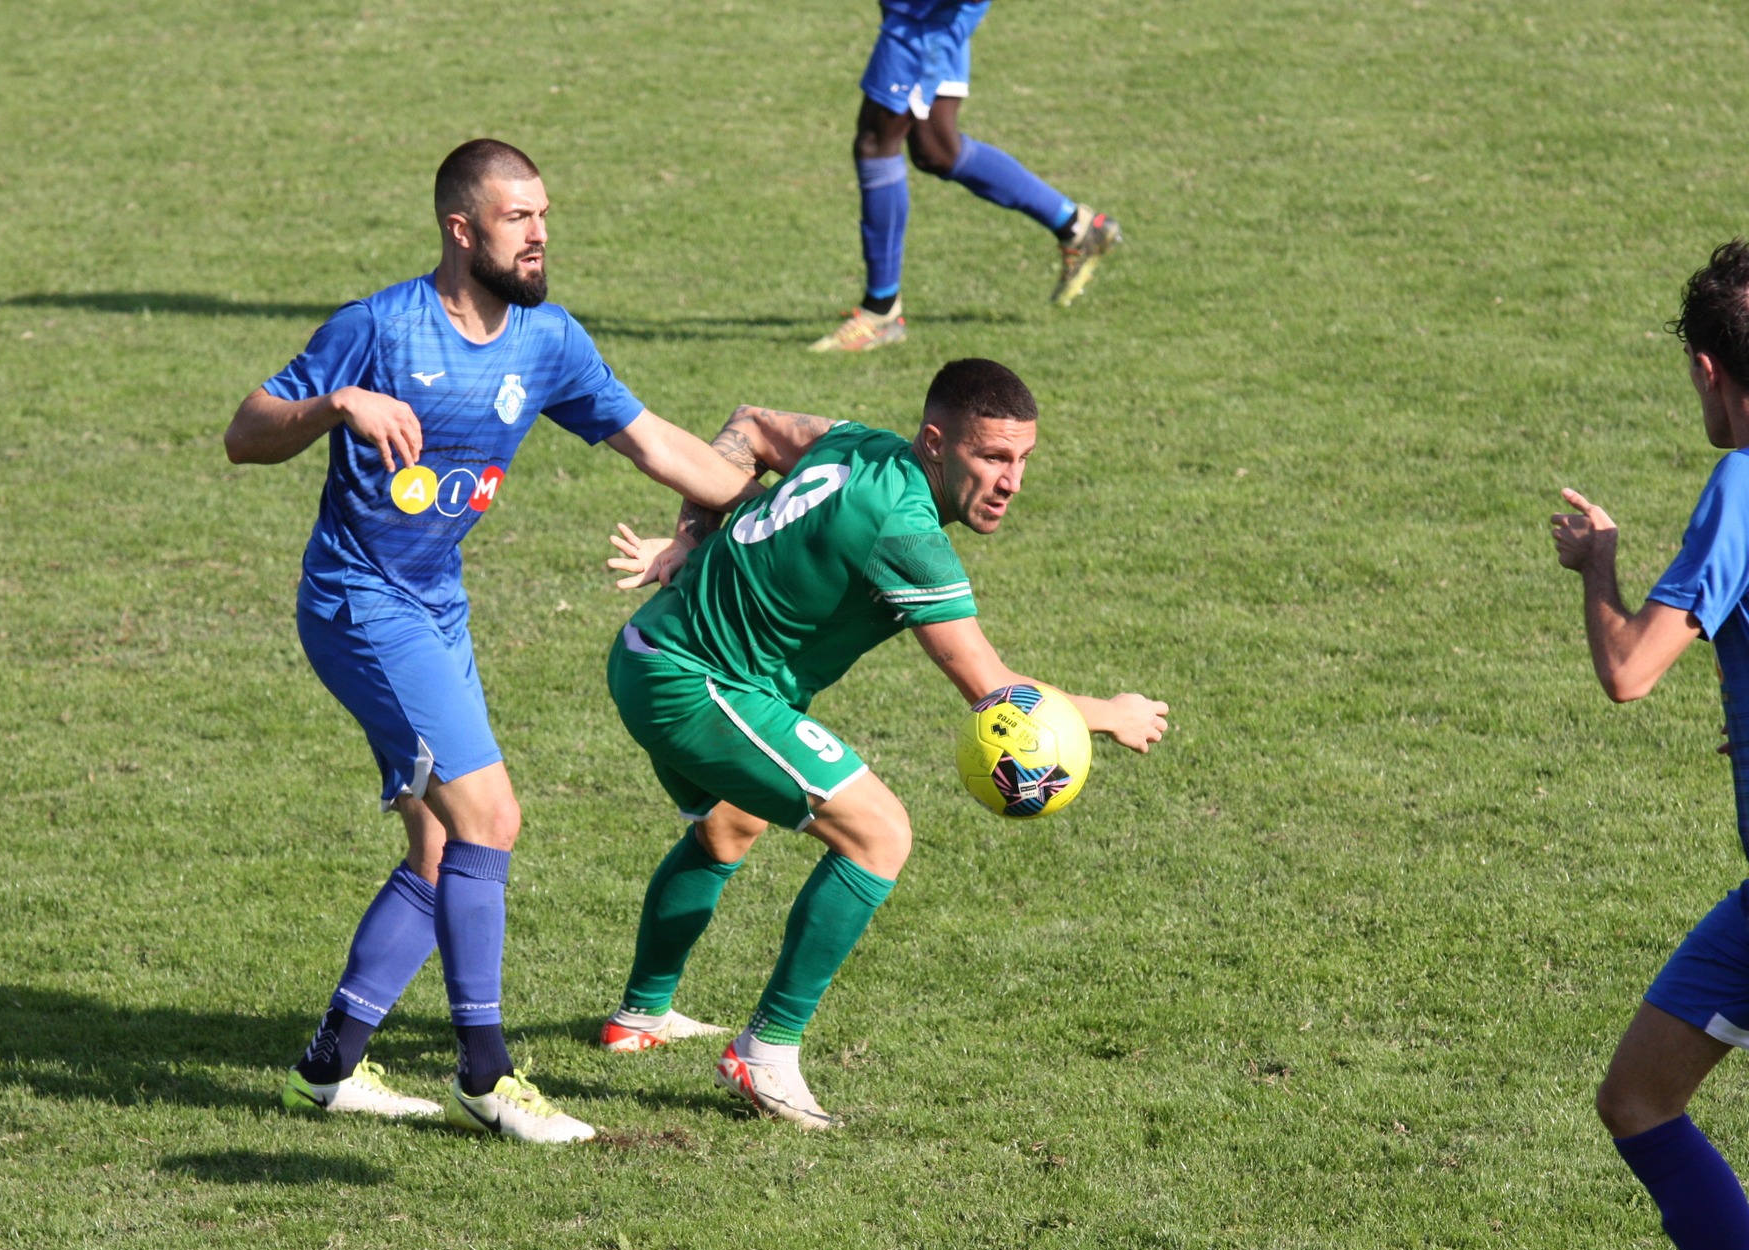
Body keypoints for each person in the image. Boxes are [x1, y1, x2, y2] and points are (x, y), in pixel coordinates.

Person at [223, 139, 760, 1144]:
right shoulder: (377, 327)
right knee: (490, 818)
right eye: (519, 218)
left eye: (544, 214)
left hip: (436, 603)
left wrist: (779, 501)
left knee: (438, 847)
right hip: (358, 600)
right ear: (461, 230)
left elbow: (657, 445)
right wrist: (332, 403)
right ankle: (486, 1074)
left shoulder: (547, 342)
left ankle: (326, 1071)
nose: (540, 232)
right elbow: (245, 432)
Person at [594, 359, 1169, 1128]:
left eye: (1024, 458)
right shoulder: (907, 533)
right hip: (692, 681)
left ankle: (640, 1017)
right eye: (992, 457)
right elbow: (994, 692)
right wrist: (1111, 712)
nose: (1012, 481)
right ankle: (766, 1050)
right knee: (879, 833)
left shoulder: (855, 442)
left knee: (731, 821)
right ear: (936, 441)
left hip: (652, 653)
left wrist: (694, 531)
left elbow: (752, 423)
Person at [1554, 239, 1749, 1250]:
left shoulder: (1741, 483)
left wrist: (1597, 572)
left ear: (1710, 372)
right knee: (1634, 1097)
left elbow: (1630, 671)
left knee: (1638, 1102)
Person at [810, 1, 1122, 354]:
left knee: (876, 143)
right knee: (936, 149)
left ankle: (881, 311)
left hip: (923, 16)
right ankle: (1077, 225)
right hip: (925, 14)